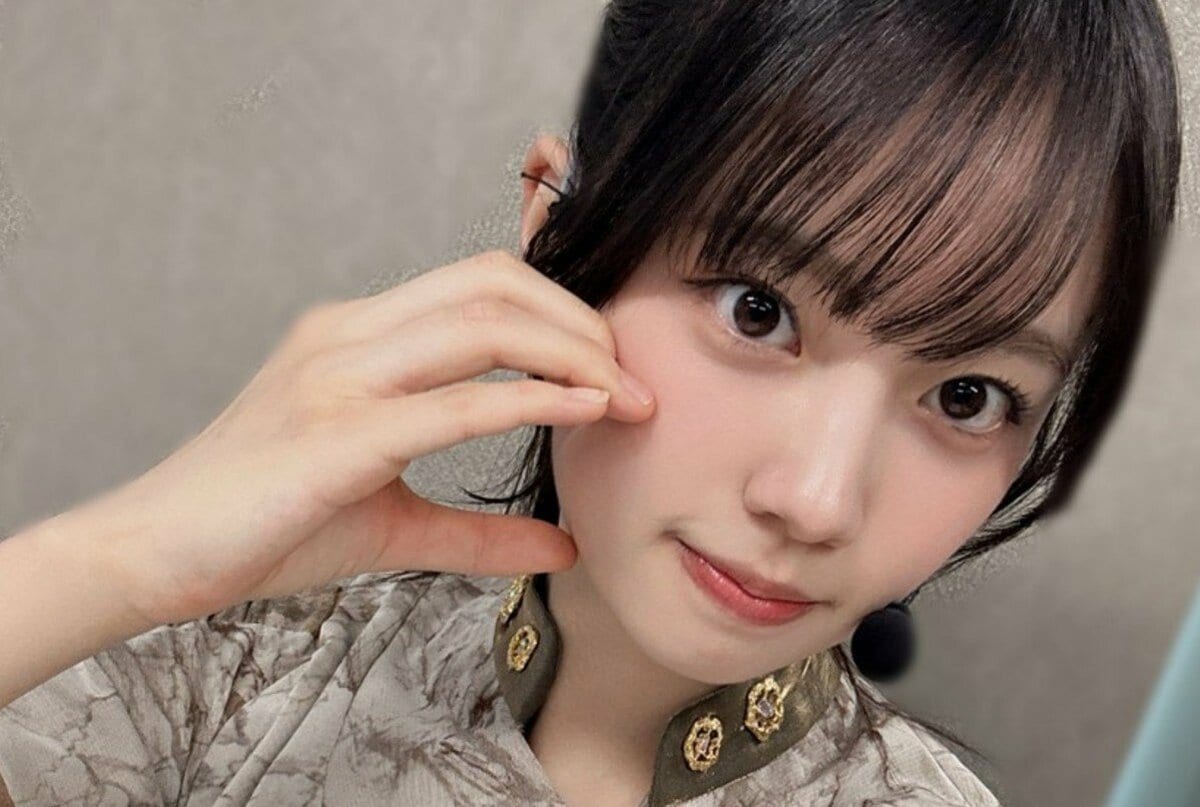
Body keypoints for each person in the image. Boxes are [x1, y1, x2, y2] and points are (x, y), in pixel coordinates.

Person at [0, 0, 1183, 805]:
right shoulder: (241, 672)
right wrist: (121, 562)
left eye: (969, 395)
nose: (818, 500)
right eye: (758, 311)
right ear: (559, 234)